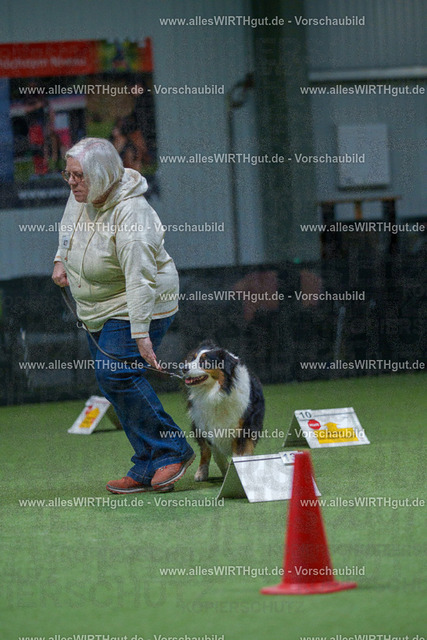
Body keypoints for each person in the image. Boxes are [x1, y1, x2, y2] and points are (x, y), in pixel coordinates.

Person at [52, 137, 194, 493]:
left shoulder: (133, 215)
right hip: (97, 304)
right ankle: (147, 464)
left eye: (78, 176)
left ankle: (172, 450)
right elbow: (69, 226)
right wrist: (60, 258)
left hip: (140, 301)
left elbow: (140, 279)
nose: (72, 183)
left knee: (116, 373)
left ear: (101, 175)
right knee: (112, 380)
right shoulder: (82, 194)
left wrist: (141, 334)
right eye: (68, 175)